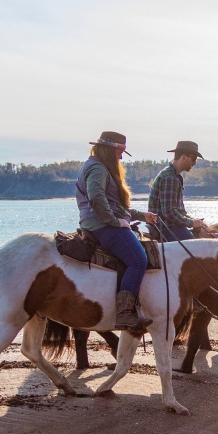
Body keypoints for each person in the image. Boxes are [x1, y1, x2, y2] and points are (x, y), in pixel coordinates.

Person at [75, 130, 157, 333]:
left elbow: (115, 204)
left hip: (98, 222)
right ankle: (125, 312)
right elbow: (96, 197)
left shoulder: (98, 166)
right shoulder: (98, 168)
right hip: (101, 225)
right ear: (108, 149)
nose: (121, 156)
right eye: (120, 151)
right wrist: (113, 222)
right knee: (138, 259)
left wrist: (140, 215)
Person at [149, 140, 209, 242]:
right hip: (166, 228)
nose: (194, 163)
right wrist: (191, 223)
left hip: (170, 225)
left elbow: (176, 211)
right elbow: (169, 212)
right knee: (197, 250)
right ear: (184, 157)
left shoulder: (173, 175)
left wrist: (193, 220)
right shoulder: (170, 177)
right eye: (193, 159)